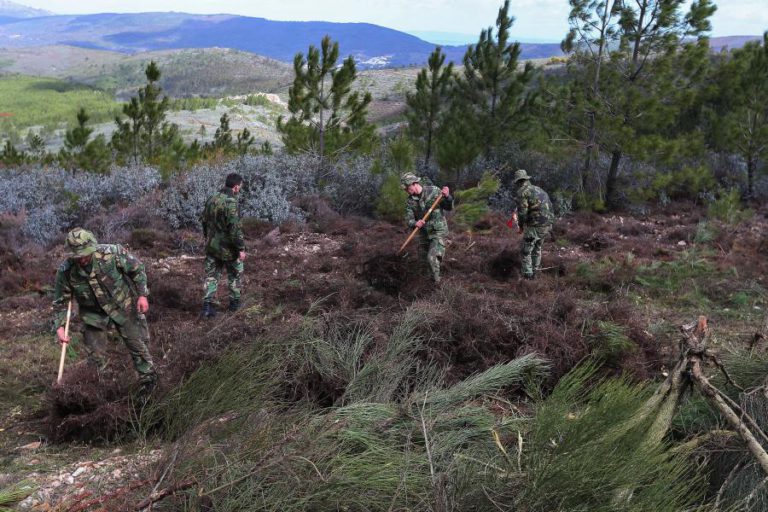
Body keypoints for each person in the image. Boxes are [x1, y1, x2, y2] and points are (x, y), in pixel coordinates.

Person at [53, 228, 157, 394]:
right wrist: (59, 327)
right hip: (93, 315)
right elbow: (60, 301)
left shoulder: (112, 253)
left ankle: (150, 386)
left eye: (85, 254)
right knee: (96, 359)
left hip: (124, 307)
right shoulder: (66, 271)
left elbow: (137, 269)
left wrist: (142, 295)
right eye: (77, 256)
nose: (82, 259)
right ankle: (102, 393)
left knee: (139, 346)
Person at [200, 172, 246, 317]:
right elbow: (235, 230)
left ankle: (207, 308)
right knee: (235, 275)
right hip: (228, 249)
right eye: (240, 187)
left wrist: (208, 239)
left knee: (211, 276)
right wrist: (241, 248)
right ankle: (234, 306)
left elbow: (204, 222)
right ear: (236, 187)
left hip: (212, 246)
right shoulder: (231, 203)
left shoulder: (212, 198)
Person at [401, 172, 454, 283]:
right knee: (422, 263)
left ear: (414, 183)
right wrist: (415, 223)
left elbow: (449, 207)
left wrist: (448, 196)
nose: (406, 190)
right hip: (424, 234)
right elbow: (408, 219)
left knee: (432, 258)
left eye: (407, 187)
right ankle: (425, 287)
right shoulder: (410, 201)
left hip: (438, 231)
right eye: (405, 189)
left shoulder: (434, 191)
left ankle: (437, 285)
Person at [513, 169, 554, 280]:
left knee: (525, 251)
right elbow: (550, 205)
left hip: (535, 226)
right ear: (526, 179)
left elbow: (522, 213)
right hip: (547, 224)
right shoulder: (539, 189)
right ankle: (536, 272)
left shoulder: (522, 192)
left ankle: (527, 277)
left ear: (518, 182)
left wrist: (521, 226)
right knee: (537, 248)